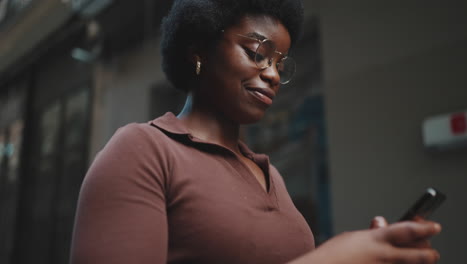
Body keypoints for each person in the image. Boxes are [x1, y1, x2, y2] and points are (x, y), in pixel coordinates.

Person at [70, 0, 442, 263]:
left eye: (281, 63)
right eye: (257, 53)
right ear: (199, 48)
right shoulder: (143, 150)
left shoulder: (270, 176)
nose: (274, 74)